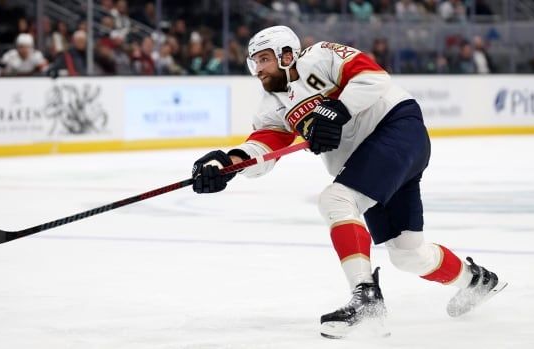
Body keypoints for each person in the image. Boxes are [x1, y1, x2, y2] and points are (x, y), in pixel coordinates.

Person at [190, 25, 507, 339]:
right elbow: (264, 149)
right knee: (407, 254)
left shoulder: (320, 56)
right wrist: (226, 164)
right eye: (254, 62)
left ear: (286, 54)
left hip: (396, 129)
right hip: (370, 159)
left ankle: (366, 298)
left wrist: (337, 110)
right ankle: (476, 282)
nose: (257, 69)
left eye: (263, 59)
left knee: (336, 200)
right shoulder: (272, 104)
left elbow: (374, 78)